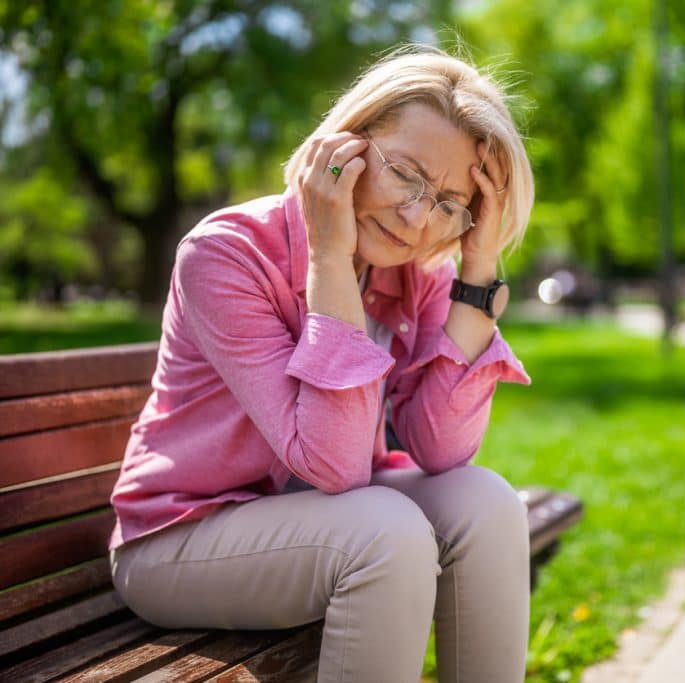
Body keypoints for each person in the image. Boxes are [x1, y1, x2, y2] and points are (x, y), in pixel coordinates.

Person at [108, 45, 535, 682]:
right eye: (405, 174)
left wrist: (477, 270)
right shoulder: (225, 255)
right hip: (180, 540)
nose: (418, 218)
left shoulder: (408, 275)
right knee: (384, 534)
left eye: (448, 202)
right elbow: (334, 467)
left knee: (487, 502)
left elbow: (443, 449)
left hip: (326, 520)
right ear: (346, 145)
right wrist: (329, 261)